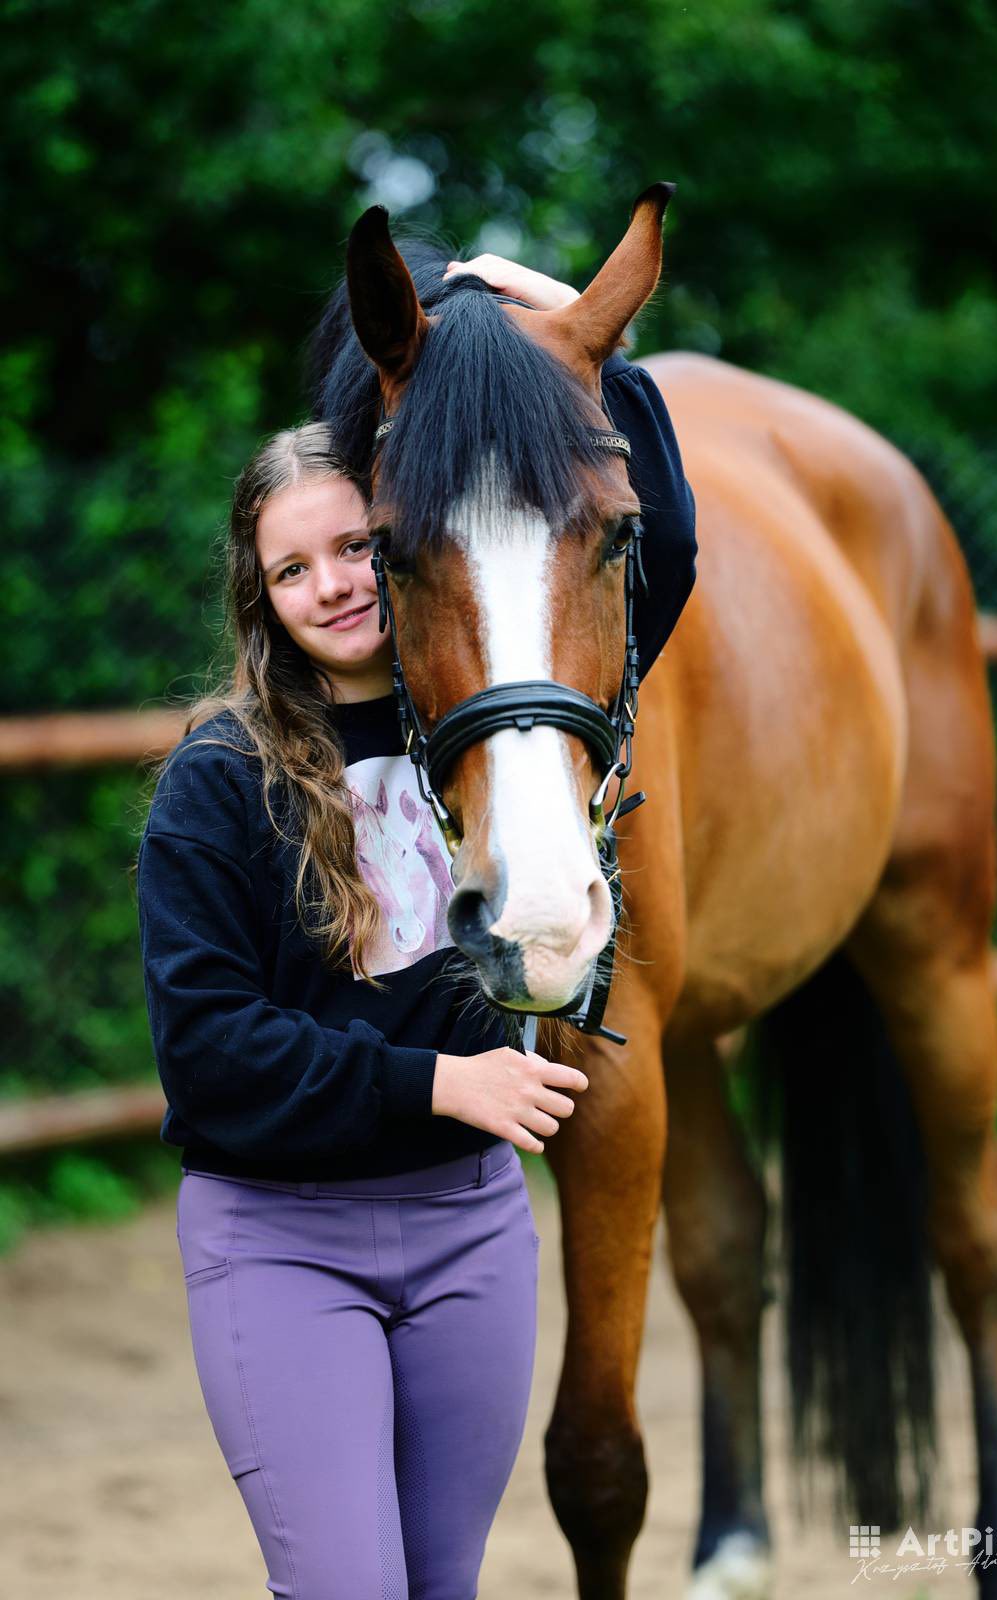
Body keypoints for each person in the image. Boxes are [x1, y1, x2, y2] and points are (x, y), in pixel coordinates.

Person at [136, 256, 697, 1599]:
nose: (333, 586)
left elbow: (657, 545)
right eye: (292, 568)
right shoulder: (219, 783)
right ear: (259, 594)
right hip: (285, 1229)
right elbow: (207, 1053)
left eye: (353, 551)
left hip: (463, 1228)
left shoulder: (472, 726)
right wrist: (444, 1083)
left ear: (404, 551)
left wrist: (586, 349)